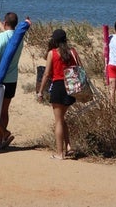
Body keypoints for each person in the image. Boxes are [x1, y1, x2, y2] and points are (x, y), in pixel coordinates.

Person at [0, 12, 27, 149]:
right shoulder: (18, 38)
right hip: (12, 80)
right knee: (4, 110)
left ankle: (5, 133)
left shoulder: (1, 37)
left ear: (5, 22)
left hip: (1, 79)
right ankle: (0, 138)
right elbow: (10, 39)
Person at [37, 29, 80, 160]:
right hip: (70, 87)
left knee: (58, 122)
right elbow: (80, 68)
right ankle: (68, 147)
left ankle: (60, 153)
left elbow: (46, 74)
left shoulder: (52, 53)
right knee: (62, 118)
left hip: (58, 86)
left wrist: (40, 91)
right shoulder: (72, 52)